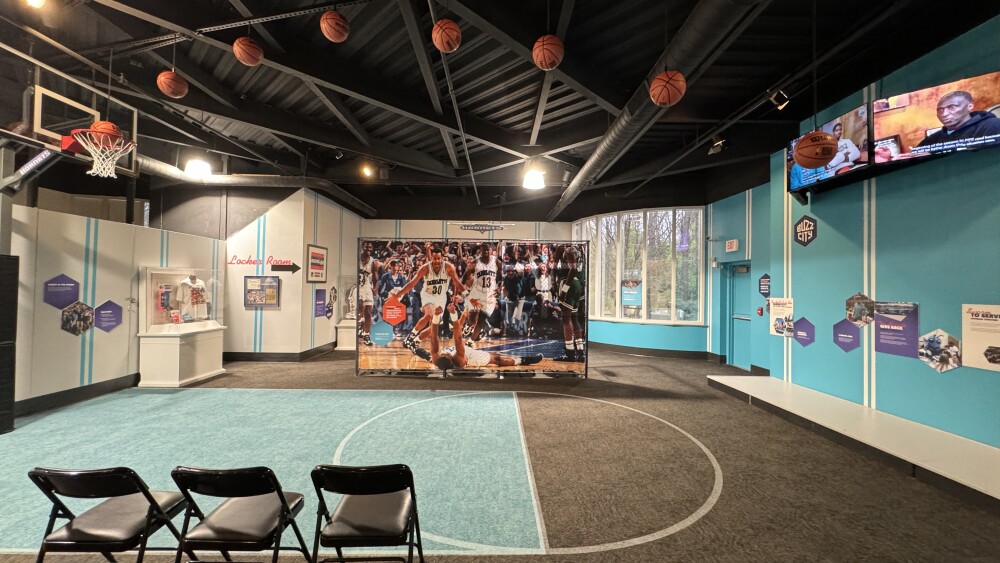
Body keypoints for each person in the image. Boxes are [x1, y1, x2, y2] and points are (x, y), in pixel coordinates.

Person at [410, 308, 542, 372]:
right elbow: (458, 338)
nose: (443, 352)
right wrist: (453, 314)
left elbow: (434, 338)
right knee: (495, 359)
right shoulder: (458, 358)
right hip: (471, 357)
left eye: (442, 354)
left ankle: (420, 352)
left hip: (453, 356)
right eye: (444, 354)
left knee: (430, 355)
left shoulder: (438, 359)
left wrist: (436, 318)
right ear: (451, 358)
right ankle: (523, 360)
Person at [397, 243, 466, 352]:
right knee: (429, 314)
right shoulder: (425, 268)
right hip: (427, 294)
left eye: (439, 258)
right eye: (434, 258)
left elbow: (457, 283)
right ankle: (411, 336)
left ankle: (415, 341)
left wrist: (466, 295)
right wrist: (398, 295)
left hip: (441, 298)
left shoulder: (449, 267)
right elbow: (412, 283)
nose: (437, 261)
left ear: (442, 258)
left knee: (434, 326)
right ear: (431, 258)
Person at [917, 91, 1000, 148]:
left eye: (952, 107)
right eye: (940, 110)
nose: (944, 114)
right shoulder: (932, 139)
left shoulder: (993, 126)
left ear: (969, 106)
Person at [462, 243, 501, 346]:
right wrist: (462, 292)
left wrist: (499, 287)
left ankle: (470, 341)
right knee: (472, 319)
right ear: (480, 251)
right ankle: (469, 325)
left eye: (488, 250)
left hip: (489, 295)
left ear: (491, 250)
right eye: (484, 250)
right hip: (477, 292)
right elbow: (465, 276)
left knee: (481, 320)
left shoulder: (496, 261)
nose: (486, 252)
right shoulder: (475, 262)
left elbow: (502, 276)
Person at [554, 245, 586, 362]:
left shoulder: (569, 250)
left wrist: (564, 291)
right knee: (574, 318)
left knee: (566, 319)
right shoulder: (579, 251)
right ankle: (580, 351)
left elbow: (573, 269)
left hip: (569, 283)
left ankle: (570, 353)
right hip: (576, 285)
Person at [357, 242, 382, 346]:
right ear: (362, 247)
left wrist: (375, 289)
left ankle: (366, 335)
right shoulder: (356, 258)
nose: (368, 248)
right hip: (356, 286)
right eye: (366, 246)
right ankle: (359, 328)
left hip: (367, 286)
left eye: (370, 247)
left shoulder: (373, 262)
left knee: (368, 311)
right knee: (359, 310)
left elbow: (376, 278)